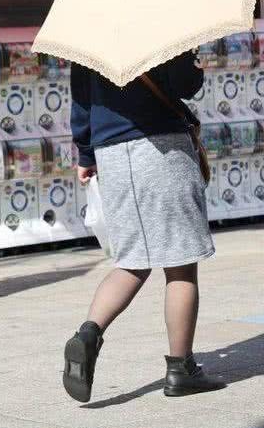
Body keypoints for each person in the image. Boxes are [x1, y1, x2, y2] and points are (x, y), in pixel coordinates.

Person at [63, 50, 225, 402]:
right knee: (181, 265)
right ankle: (181, 369)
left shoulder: (87, 36)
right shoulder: (162, 28)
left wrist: (86, 155)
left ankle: (88, 333)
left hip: (111, 154)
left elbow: (82, 100)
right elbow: (184, 84)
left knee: (132, 262)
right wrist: (195, 64)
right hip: (161, 147)